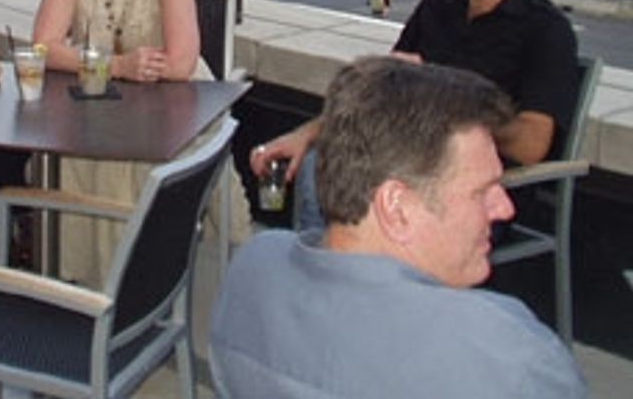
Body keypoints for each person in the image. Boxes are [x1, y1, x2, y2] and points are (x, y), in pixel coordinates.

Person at [210, 57, 588, 398]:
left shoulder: (253, 270)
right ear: (397, 207)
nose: (505, 208)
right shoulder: (509, 356)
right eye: (482, 191)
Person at [252, 0, 578, 227]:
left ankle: (337, 273)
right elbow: (377, 94)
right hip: (406, 169)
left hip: (476, 195)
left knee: (367, 206)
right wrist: (304, 135)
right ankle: (326, 273)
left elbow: (530, 144)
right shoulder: (437, 10)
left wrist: (447, 100)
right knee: (320, 164)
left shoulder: (545, 30)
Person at [31, 0, 251, 287]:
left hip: (177, 110)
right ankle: (93, 288)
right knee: (76, 157)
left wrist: (98, 65)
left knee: (123, 161)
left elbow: (181, 63)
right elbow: (43, 45)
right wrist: (118, 66)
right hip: (104, 109)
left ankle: (129, 289)